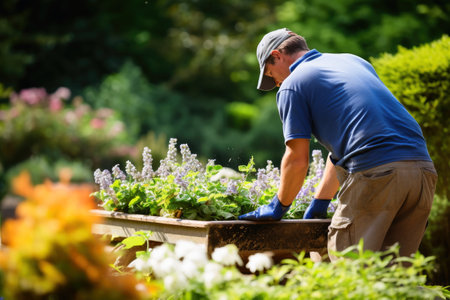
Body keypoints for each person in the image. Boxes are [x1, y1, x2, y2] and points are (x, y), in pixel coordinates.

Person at [238, 28, 437, 260]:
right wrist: (321, 201)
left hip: (377, 174)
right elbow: (347, 149)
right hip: (422, 172)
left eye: (271, 74)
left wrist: (279, 206)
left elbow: (297, 159)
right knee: (394, 277)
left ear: (277, 55)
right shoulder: (354, 61)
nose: (276, 82)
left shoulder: (293, 84)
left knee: (345, 270)